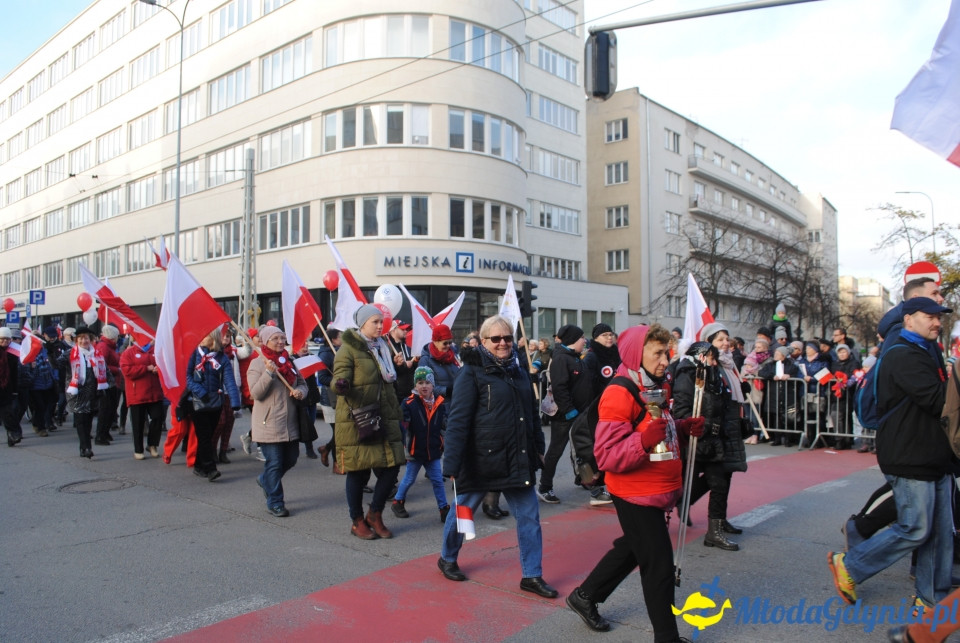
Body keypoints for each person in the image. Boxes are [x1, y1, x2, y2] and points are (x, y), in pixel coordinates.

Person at [566, 324, 703, 638]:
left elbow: (655, 429)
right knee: (659, 566)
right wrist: (643, 442)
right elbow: (607, 455)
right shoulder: (619, 392)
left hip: (654, 489)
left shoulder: (652, 384)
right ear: (635, 354)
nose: (664, 360)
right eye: (657, 353)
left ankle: (584, 596)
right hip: (634, 492)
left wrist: (680, 429)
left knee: (632, 547)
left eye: (666, 353)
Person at [828, 297, 953, 612]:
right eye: (930, 316)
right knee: (916, 527)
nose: (937, 322)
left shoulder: (928, 350)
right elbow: (938, 400)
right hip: (908, 453)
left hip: (933, 453)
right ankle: (851, 565)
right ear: (909, 319)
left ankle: (929, 599)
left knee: (938, 534)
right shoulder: (902, 354)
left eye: (940, 317)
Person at [438, 315, 557, 599]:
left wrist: (539, 447)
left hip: (517, 458)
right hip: (481, 459)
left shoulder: (518, 371)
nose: (503, 343)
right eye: (496, 338)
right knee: (463, 511)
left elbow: (530, 415)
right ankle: (448, 557)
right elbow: (458, 420)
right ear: (483, 341)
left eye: (506, 337)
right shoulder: (471, 373)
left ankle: (532, 575)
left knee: (529, 517)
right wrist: (451, 463)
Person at [333, 304, 405, 540]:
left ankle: (375, 513)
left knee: (391, 466)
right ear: (362, 323)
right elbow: (338, 377)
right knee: (359, 471)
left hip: (385, 415)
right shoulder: (349, 349)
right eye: (374, 321)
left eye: (380, 321)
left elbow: (388, 382)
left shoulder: (382, 346)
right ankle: (356, 521)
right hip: (359, 418)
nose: (379, 325)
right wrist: (341, 385)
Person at [247, 325, 307, 517]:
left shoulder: (289, 362)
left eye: (282, 338)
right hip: (268, 423)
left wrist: (300, 392)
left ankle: (265, 480)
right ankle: (275, 502)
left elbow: (303, 384)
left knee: (291, 459)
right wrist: (268, 373)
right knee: (274, 462)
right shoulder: (257, 364)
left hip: (290, 421)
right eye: (275, 339)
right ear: (265, 341)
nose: (280, 342)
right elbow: (255, 393)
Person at [392, 366, 449, 523]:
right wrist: (404, 431)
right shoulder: (409, 403)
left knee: (437, 480)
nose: (424, 386)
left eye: (427, 383)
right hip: (415, 450)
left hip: (433, 449)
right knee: (409, 479)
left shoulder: (439, 403)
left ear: (433, 385)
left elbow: (444, 425)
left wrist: (445, 440)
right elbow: (403, 425)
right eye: (420, 382)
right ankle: (398, 501)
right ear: (415, 385)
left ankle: (443, 508)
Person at [538, 324, 587, 504]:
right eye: (582, 337)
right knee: (556, 451)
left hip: (578, 413)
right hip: (564, 416)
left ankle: (587, 480)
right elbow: (559, 387)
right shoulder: (561, 359)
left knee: (582, 448)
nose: (584, 340)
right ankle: (545, 487)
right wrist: (569, 411)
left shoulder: (574, 357)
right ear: (573, 340)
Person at [185, 330, 241, 482]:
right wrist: (200, 391)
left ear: (213, 339)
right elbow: (187, 377)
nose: (201, 338)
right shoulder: (194, 354)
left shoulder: (221, 358)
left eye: (205, 335)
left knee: (208, 435)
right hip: (196, 401)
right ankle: (210, 468)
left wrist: (235, 402)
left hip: (215, 401)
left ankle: (198, 465)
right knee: (203, 435)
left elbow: (229, 380)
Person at [66, 326, 111, 458]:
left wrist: (109, 386)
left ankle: (84, 446)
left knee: (89, 420)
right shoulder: (70, 353)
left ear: (90, 340)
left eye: (85, 338)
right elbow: (57, 363)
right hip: (78, 392)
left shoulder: (96, 354)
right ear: (76, 340)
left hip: (92, 392)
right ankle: (86, 447)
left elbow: (105, 371)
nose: (83, 341)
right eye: (80, 338)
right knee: (81, 420)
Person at [119, 336, 164, 459]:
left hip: (155, 393)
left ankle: (152, 444)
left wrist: (158, 369)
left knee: (158, 418)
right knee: (138, 423)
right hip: (137, 394)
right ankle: (138, 449)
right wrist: (146, 368)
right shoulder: (129, 352)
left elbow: (165, 366)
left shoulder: (156, 351)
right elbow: (126, 370)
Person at [758, 345, 803, 446]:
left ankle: (788, 439)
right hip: (774, 394)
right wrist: (772, 376)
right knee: (776, 417)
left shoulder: (791, 365)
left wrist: (789, 376)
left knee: (789, 417)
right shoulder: (770, 365)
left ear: (783, 356)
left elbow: (797, 376)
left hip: (788, 395)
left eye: (778, 354)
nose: (775, 355)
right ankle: (777, 438)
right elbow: (761, 372)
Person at [798, 341, 830, 448]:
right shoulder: (803, 361)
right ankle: (809, 438)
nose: (807, 350)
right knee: (806, 415)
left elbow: (825, 375)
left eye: (810, 348)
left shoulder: (822, 361)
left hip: (818, 391)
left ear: (815, 349)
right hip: (805, 391)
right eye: (806, 348)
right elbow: (798, 373)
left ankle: (819, 440)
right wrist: (803, 378)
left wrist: (812, 379)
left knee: (818, 416)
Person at [316, 329, 340, 469]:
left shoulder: (338, 351)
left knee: (341, 431)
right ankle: (336, 463)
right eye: (340, 337)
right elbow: (322, 377)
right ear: (333, 340)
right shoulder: (326, 354)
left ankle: (326, 448)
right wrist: (338, 380)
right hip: (330, 399)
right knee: (338, 432)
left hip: (340, 397)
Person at [95, 325, 122, 446]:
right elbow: (102, 366)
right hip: (106, 383)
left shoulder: (108, 346)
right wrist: (118, 369)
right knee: (105, 410)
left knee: (110, 409)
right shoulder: (103, 347)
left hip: (111, 381)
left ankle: (104, 432)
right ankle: (100, 434)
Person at [417, 324, 460, 400]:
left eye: (450, 342)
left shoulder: (453, 355)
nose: (448, 346)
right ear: (435, 342)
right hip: (439, 404)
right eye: (445, 343)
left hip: (456, 401)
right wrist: (446, 390)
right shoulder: (426, 360)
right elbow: (423, 386)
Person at [830, 343, 858, 449]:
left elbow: (853, 376)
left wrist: (844, 382)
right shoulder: (834, 363)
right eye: (839, 352)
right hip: (836, 394)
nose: (842, 354)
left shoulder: (853, 363)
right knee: (836, 415)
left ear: (848, 352)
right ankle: (840, 439)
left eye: (844, 352)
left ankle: (846, 439)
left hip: (848, 394)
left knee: (844, 416)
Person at [0, 327, 21, 447]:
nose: (5, 342)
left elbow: (14, 373)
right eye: (2, 339)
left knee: (8, 412)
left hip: (6, 387)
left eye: (7, 339)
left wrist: (14, 390)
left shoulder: (12, 353)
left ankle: (13, 434)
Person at [385, 320, 416, 400]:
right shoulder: (387, 348)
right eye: (403, 329)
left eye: (407, 329)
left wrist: (416, 361)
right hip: (396, 394)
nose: (406, 331)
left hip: (411, 392)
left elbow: (413, 369)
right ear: (393, 330)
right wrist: (401, 365)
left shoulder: (408, 347)